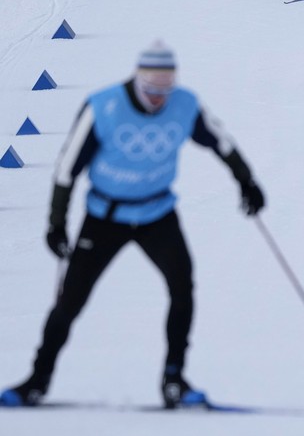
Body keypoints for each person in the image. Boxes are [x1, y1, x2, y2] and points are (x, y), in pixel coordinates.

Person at [0, 43, 265, 408]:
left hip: (157, 214)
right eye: (151, 89)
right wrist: (56, 223)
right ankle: (36, 381)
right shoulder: (103, 107)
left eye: (165, 89)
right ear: (137, 80)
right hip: (105, 218)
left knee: (182, 287)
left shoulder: (184, 104)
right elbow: (67, 168)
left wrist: (247, 182)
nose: (158, 99)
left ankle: (174, 380)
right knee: (71, 301)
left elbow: (221, 142)